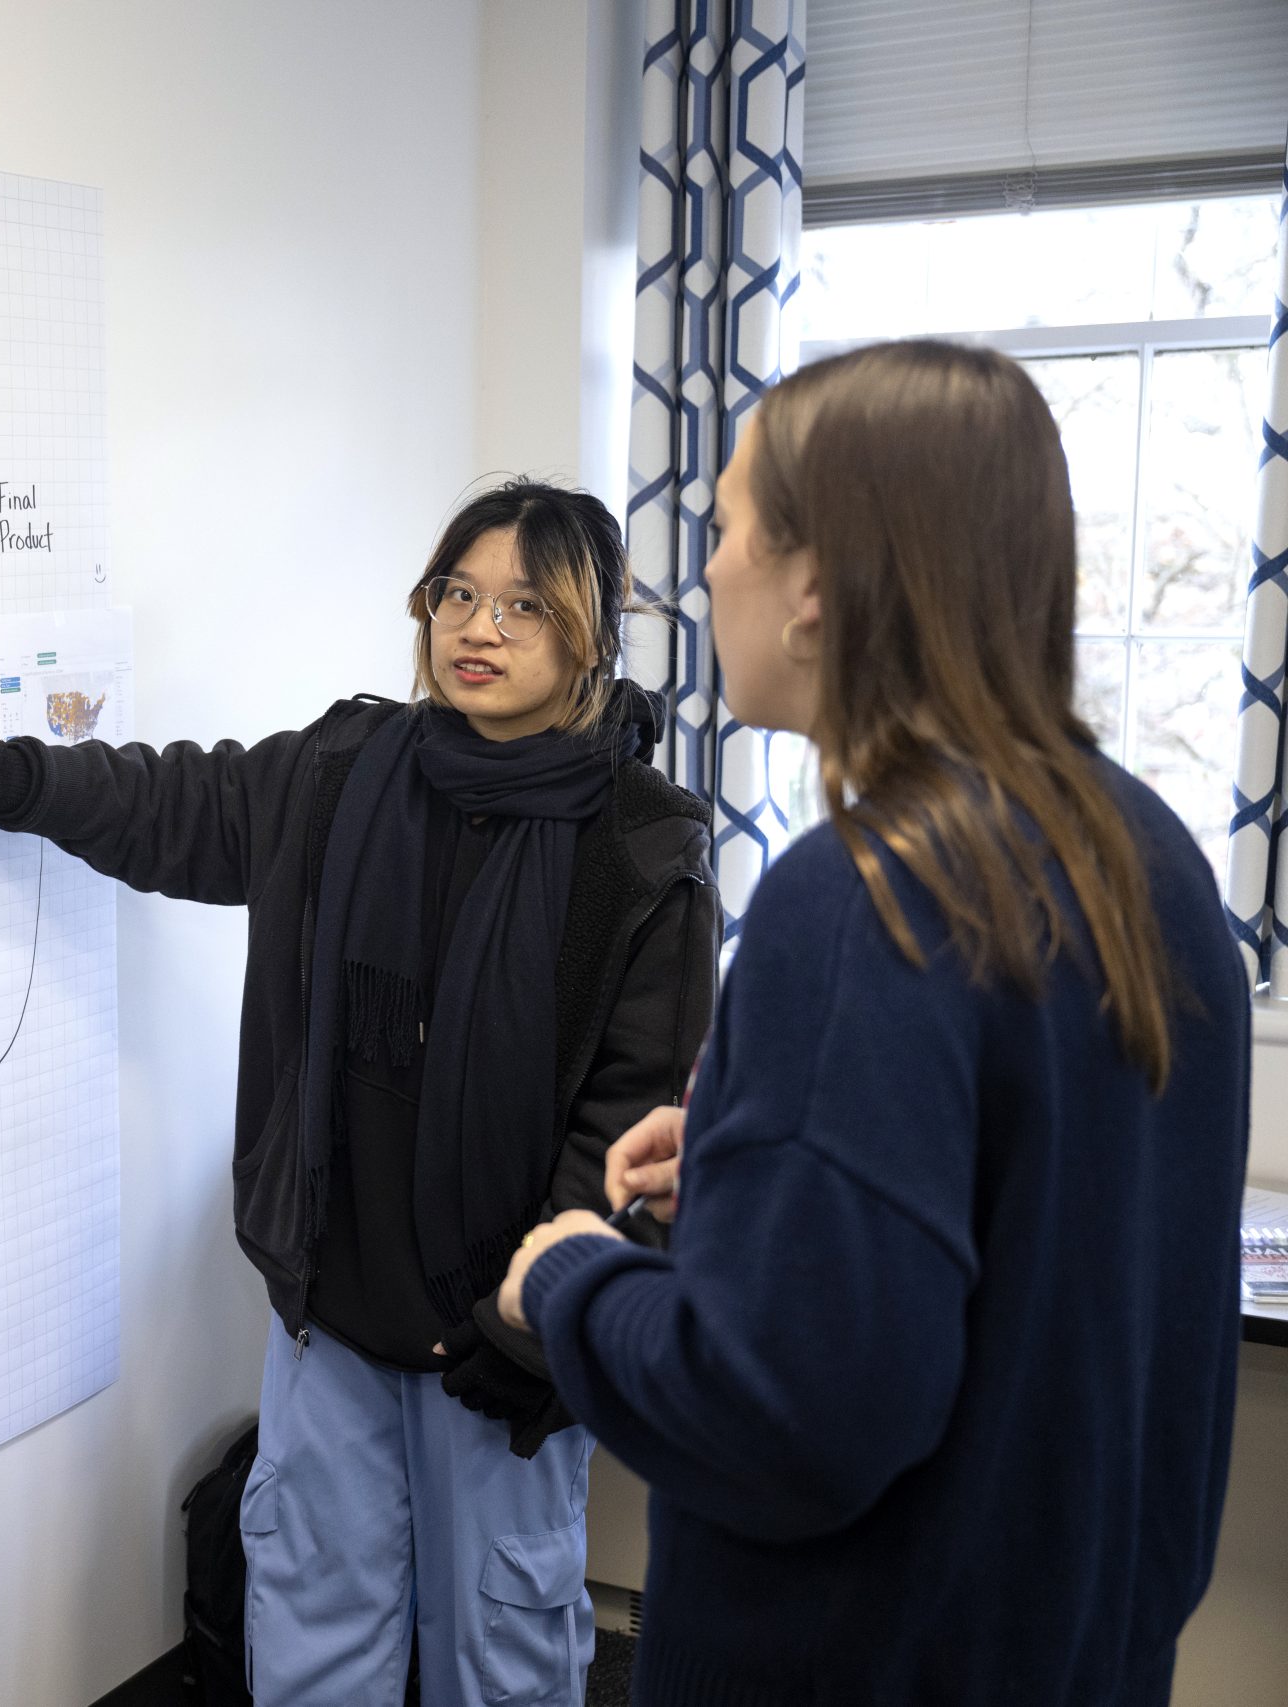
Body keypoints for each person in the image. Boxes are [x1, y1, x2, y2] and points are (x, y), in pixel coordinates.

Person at [0, 478, 716, 1706]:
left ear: (588, 632)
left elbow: (626, 1117)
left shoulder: (641, 846)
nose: (477, 629)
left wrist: (525, 1327)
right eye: (458, 596)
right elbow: (166, 805)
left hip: (506, 1340)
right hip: (333, 1311)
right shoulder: (344, 771)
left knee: (504, 1651)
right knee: (316, 1632)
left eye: (522, 607)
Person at [499, 341, 1252, 1705]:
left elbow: (784, 1415)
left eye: (726, 527)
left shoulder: (862, 897)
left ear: (816, 587)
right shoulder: (1144, 856)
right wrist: (748, 1145)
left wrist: (573, 1280)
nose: (705, 567)